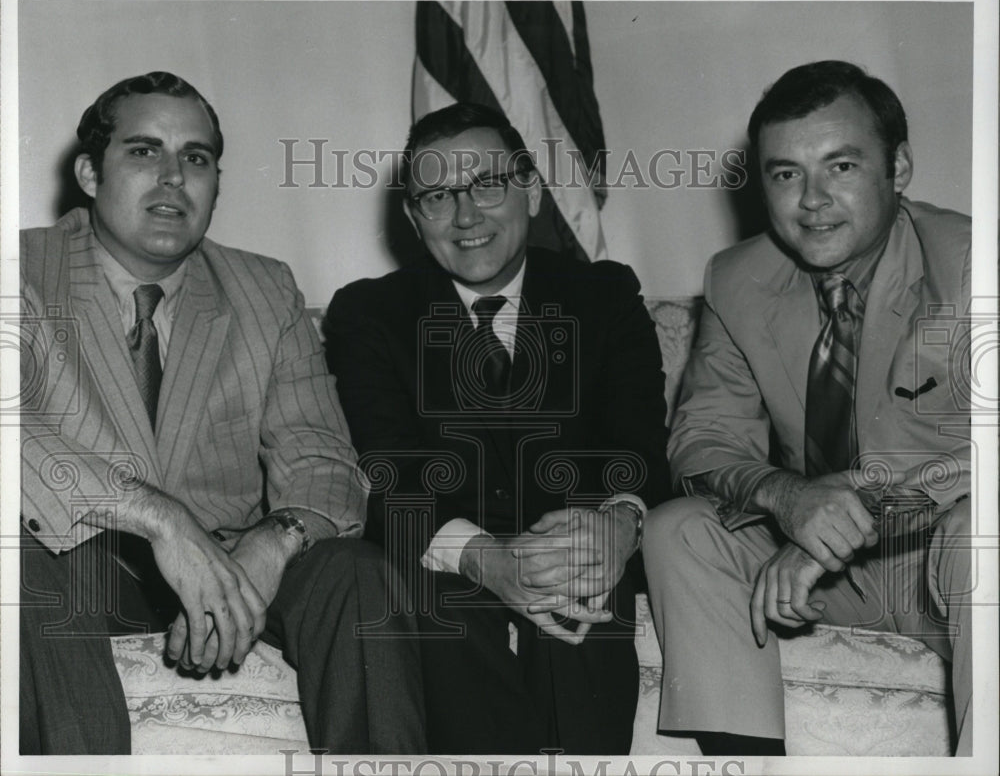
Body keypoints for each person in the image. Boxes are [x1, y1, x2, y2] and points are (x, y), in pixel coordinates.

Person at [19, 71, 425, 755]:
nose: (174, 178)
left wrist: (276, 539)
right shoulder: (21, 266)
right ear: (89, 172)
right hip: (76, 561)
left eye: (197, 158)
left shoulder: (264, 287)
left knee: (357, 573)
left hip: (238, 562)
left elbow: (323, 458)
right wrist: (160, 519)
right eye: (144, 152)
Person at [642, 61, 972, 755]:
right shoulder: (737, 279)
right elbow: (701, 440)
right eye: (786, 173)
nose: (813, 201)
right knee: (681, 528)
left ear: (900, 166)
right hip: (825, 575)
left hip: (948, 563)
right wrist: (786, 497)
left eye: (841, 166)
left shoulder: (976, 262)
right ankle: (745, 762)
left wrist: (854, 518)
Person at [324, 102, 671, 754]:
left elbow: (639, 449)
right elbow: (387, 472)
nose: (465, 216)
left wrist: (617, 525)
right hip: (448, 554)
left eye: (487, 185)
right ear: (412, 216)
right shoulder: (371, 315)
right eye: (437, 196)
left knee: (581, 584)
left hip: (572, 545)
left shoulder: (603, 296)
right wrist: (489, 559)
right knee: (435, 601)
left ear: (531, 191)